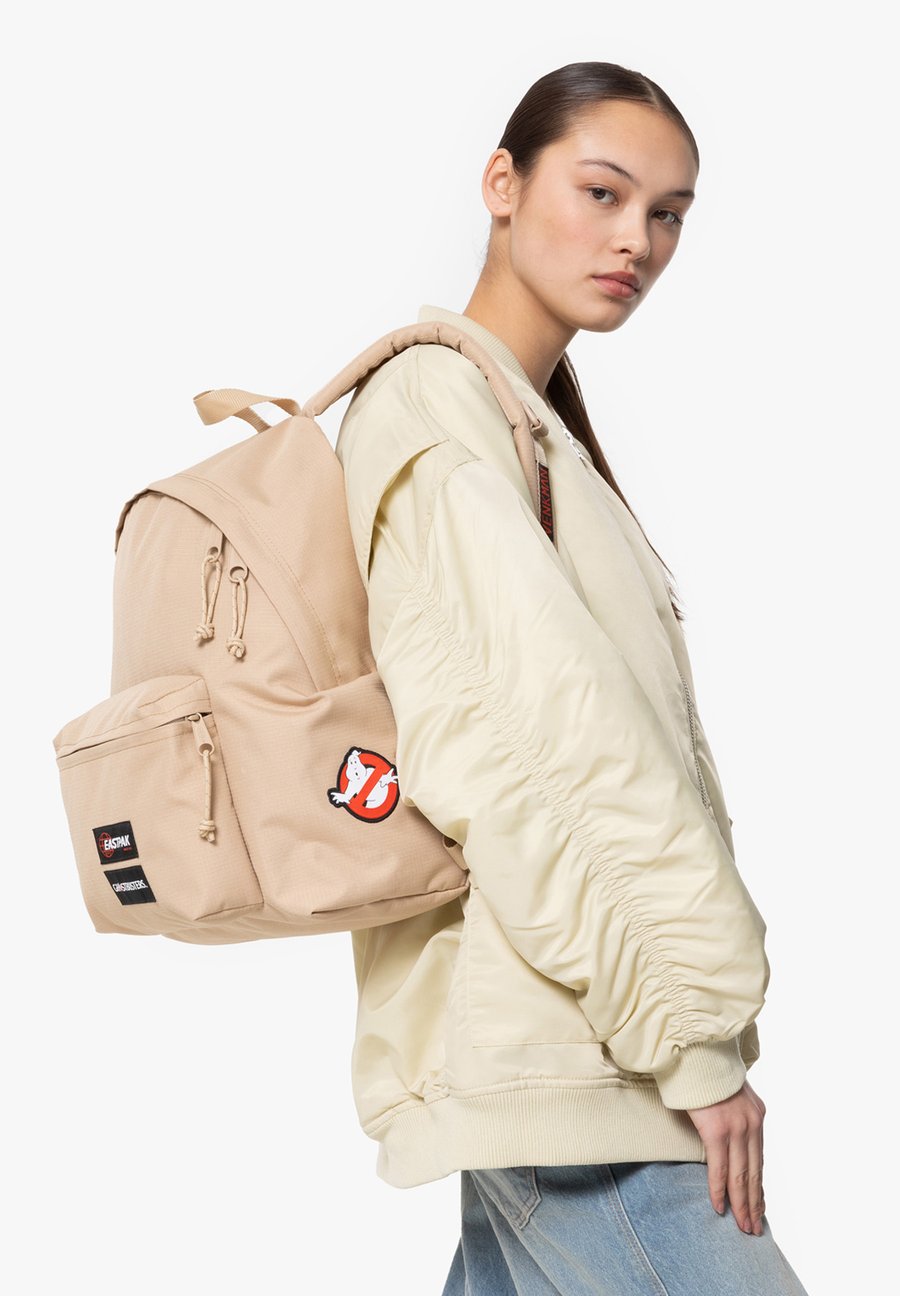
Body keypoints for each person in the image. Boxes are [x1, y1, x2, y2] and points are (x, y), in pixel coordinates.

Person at [334, 60, 810, 1296]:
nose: (636, 240)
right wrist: (692, 1038)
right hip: (581, 1062)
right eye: (602, 192)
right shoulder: (437, 408)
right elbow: (534, 749)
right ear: (502, 183)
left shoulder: (522, 419)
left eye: (668, 213)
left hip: (556, 1042)